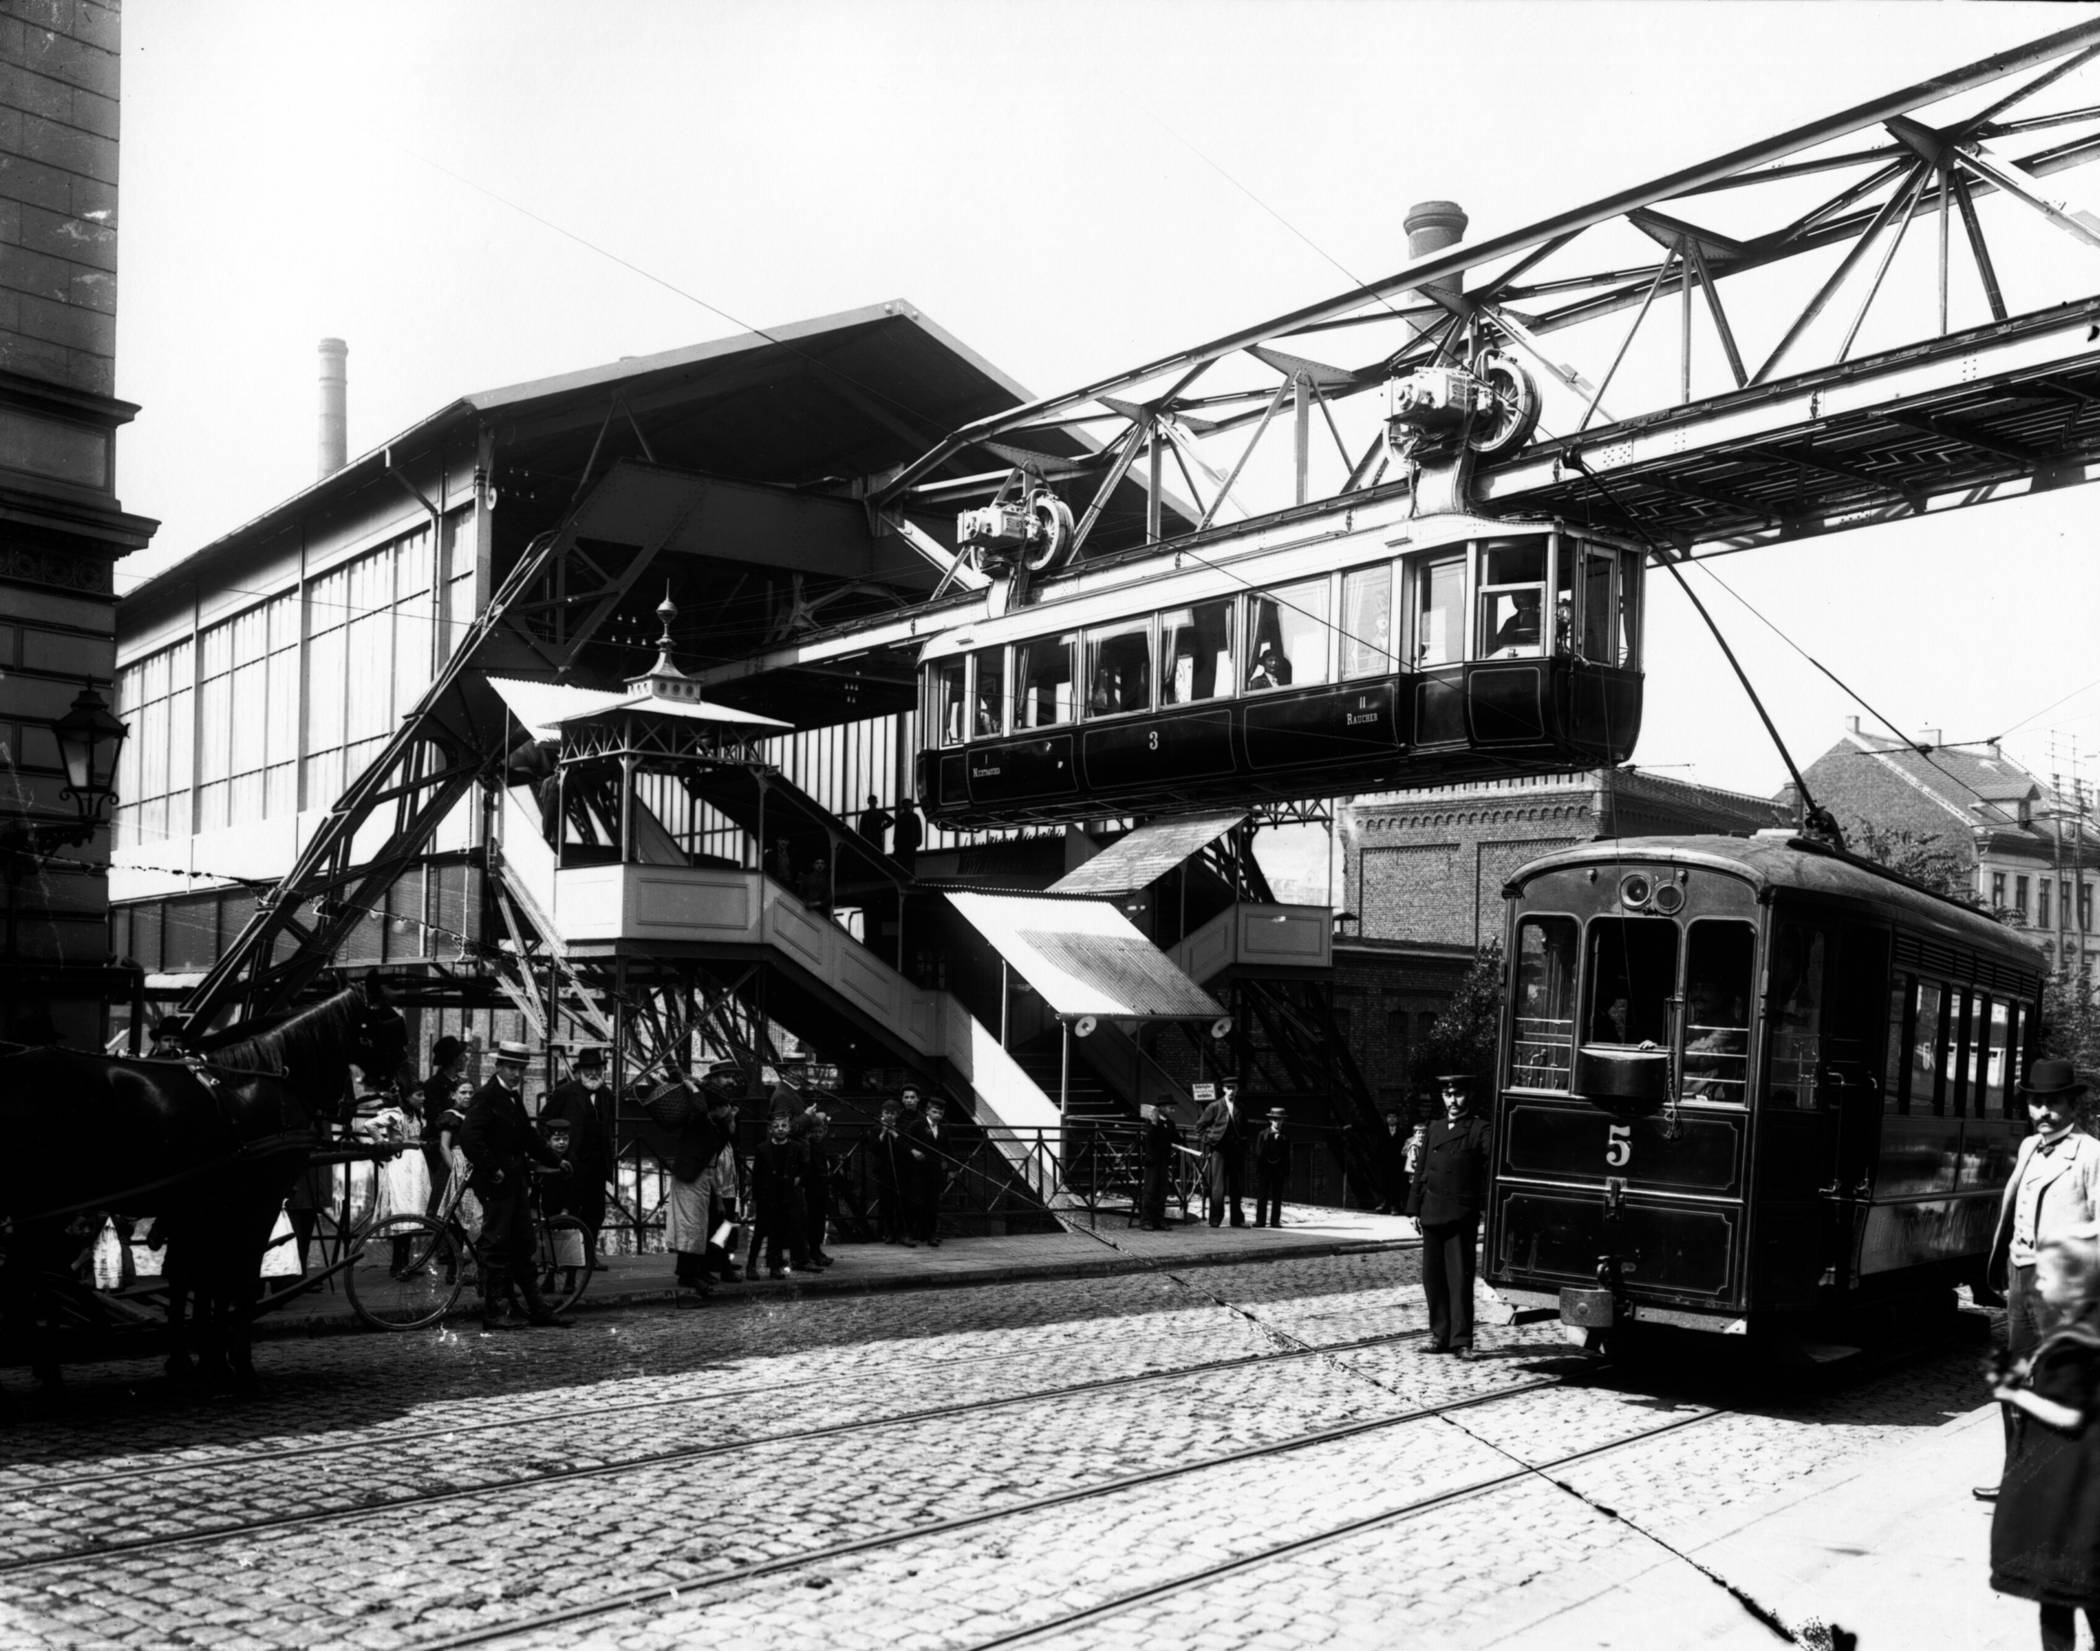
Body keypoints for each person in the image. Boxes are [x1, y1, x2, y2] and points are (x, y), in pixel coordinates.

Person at [1980, 1059, 2100, 1502]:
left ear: (2073, 1104)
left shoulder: (2091, 1155)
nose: (2044, 1111)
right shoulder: (2030, 1147)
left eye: (2053, 1102)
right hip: (2021, 1277)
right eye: (2037, 1103)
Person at [1989, 1230, 2100, 1651]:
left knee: (2058, 1591)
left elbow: (2069, 1414)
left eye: (2047, 1278)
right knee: (2078, 1592)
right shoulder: (2083, 1337)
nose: (2036, 1284)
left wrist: (2016, 1394)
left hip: (2066, 1495)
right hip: (2075, 1489)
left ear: (2073, 1289)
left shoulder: (2072, 1348)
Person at [458, 1040, 573, 1331]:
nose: (516, 1074)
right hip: (496, 1183)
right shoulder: (487, 1096)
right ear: (498, 1066)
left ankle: (537, 1309)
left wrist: (554, 1159)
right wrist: (492, 1167)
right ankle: (493, 1313)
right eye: (511, 1067)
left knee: (524, 1244)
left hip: (515, 1182)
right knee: (496, 1245)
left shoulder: (512, 1097)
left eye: (520, 1069)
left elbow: (528, 1137)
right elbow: (470, 1138)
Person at [1407, 1073, 1493, 1356]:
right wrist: (1413, 1209)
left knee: (1459, 1279)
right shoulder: (1435, 1127)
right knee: (1432, 1278)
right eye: (1447, 1095)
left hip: (1460, 1215)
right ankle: (1438, 1335)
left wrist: (1480, 1204)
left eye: (1457, 1094)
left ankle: (1461, 1340)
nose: (1452, 1101)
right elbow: (1420, 1170)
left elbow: (1489, 1171)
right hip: (1431, 1212)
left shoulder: (1480, 1129)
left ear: (1468, 1095)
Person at [652, 1069, 735, 1297]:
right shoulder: (699, 1119)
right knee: (691, 1227)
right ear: (715, 1108)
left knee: (698, 1227)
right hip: (690, 1178)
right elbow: (699, 1107)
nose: (727, 1110)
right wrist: (695, 1090)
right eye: (724, 1107)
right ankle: (687, 1274)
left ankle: (697, 1270)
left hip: (700, 1178)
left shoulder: (713, 1125)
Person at [538, 1046, 615, 1265]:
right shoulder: (566, 1092)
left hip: (597, 1164)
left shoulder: (606, 1094)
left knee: (595, 1212)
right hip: (572, 1163)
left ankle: (589, 1256)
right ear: (580, 1071)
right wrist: (554, 1148)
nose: (593, 1074)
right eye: (589, 1069)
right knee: (570, 1211)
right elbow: (544, 1120)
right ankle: (567, 1259)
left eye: (597, 1070)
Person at [748, 1111, 810, 1279]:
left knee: (778, 1231)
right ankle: (751, 1265)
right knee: (760, 1232)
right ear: (770, 1129)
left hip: (785, 1194)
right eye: (776, 1126)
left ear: (789, 1127)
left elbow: (804, 1167)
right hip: (767, 1196)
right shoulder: (762, 1149)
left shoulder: (795, 1148)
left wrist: (798, 1179)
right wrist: (755, 1198)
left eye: (784, 1126)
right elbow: (757, 1175)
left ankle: (775, 1266)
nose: (780, 1129)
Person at [419, 1036, 468, 1224]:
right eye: (462, 1056)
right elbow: (434, 1118)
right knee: (444, 1194)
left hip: (461, 1144)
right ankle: (441, 1240)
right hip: (442, 1146)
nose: (465, 1059)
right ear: (453, 1060)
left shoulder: (463, 1084)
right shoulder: (433, 1085)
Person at [1681, 976, 1749, 1101]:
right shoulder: (1694, 1024)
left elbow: (1701, 1057)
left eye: (1706, 989)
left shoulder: (1730, 1028)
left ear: (1721, 995)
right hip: (1686, 1097)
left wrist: (1667, 1054)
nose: (1698, 994)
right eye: (1696, 988)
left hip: (1709, 1099)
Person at [1196, 1080, 1246, 1228]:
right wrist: (1210, 1140)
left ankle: (1236, 1220)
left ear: (1237, 1089)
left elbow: (1245, 1128)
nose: (1231, 1091)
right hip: (1219, 1150)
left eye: (1234, 1088)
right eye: (1228, 1088)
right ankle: (1215, 1219)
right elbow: (1199, 1127)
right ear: (1224, 1089)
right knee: (1218, 1187)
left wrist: (1243, 1143)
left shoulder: (1241, 1107)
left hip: (1236, 1151)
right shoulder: (1215, 1107)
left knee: (1236, 1186)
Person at [798, 1110, 836, 1270]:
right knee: (812, 1220)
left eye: (820, 1132)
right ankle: (813, 1251)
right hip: (812, 1187)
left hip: (820, 1187)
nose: (817, 1135)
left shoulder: (820, 1146)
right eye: (814, 1132)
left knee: (819, 1220)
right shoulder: (809, 1147)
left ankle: (816, 1249)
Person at [915, 1097, 952, 1247]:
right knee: (918, 1201)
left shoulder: (943, 1129)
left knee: (933, 1203)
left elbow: (949, 1149)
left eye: (940, 1113)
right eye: (934, 1111)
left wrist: (951, 1168)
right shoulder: (917, 1125)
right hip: (919, 1169)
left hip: (935, 1171)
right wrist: (912, 1151)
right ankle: (918, 1233)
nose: (937, 1115)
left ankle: (931, 1234)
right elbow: (905, 1140)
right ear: (928, 1111)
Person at [870, 1099, 909, 1243]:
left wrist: (893, 1133)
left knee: (901, 1202)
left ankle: (902, 1232)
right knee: (886, 1203)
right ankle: (889, 1232)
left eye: (892, 1114)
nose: (889, 1116)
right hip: (883, 1170)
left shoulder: (902, 1128)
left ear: (897, 1114)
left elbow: (905, 1146)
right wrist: (882, 1133)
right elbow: (873, 1148)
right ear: (882, 1113)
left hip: (900, 1170)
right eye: (887, 1113)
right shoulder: (876, 1128)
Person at [1139, 1104, 1184, 1230]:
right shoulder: (1151, 1122)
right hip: (1153, 1160)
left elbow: (1176, 1137)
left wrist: (1181, 1144)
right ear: (1162, 1108)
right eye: (1170, 1107)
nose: (1171, 1110)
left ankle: (1159, 1219)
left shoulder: (1170, 1123)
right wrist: (1154, 1123)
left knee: (1162, 1190)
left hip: (1164, 1160)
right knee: (1150, 1190)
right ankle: (1146, 1220)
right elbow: (1149, 1139)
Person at [1252, 1107, 1289, 1229]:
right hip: (1265, 1169)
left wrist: (1286, 1171)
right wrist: (1258, 1170)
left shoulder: (1285, 1136)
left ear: (1283, 1121)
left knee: (1277, 1196)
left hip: (1278, 1170)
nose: (1277, 1122)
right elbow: (1258, 1153)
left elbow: (1287, 1155)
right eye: (1275, 1120)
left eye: (1280, 1120)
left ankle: (1275, 1221)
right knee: (1262, 1195)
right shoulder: (1263, 1134)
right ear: (1270, 1120)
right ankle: (1260, 1220)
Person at [1375, 1109, 1412, 1215]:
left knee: (1396, 1184)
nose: (1392, 1119)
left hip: (1397, 1162)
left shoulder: (1402, 1131)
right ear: (1386, 1119)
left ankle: (1395, 1206)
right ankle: (1385, 1204)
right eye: (1389, 1117)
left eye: (1394, 1117)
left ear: (1397, 1119)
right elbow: (1379, 1146)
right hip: (1385, 1162)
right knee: (1385, 1183)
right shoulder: (1381, 1131)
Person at [1493, 589, 1543, 653]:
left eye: (1523, 594)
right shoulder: (1510, 621)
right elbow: (1499, 643)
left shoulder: (1541, 618)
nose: (1519, 598)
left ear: (1532, 596)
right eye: (1515, 595)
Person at [892, 800, 922, 874]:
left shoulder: (901, 817)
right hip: (910, 843)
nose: (907, 807)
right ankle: (911, 876)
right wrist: (918, 841)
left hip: (904, 844)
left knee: (905, 863)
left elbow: (897, 832)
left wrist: (895, 844)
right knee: (910, 862)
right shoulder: (914, 817)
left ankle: (906, 876)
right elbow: (918, 830)